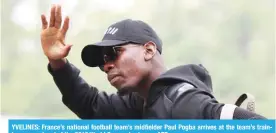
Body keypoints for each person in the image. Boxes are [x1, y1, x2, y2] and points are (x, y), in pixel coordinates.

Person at [40, 5, 267, 119]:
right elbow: (90, 104)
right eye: (102, 61)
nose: (106, 66)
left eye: (113, 53)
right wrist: (57, 63)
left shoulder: (183, 102)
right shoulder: (138, 103)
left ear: (148, 50)